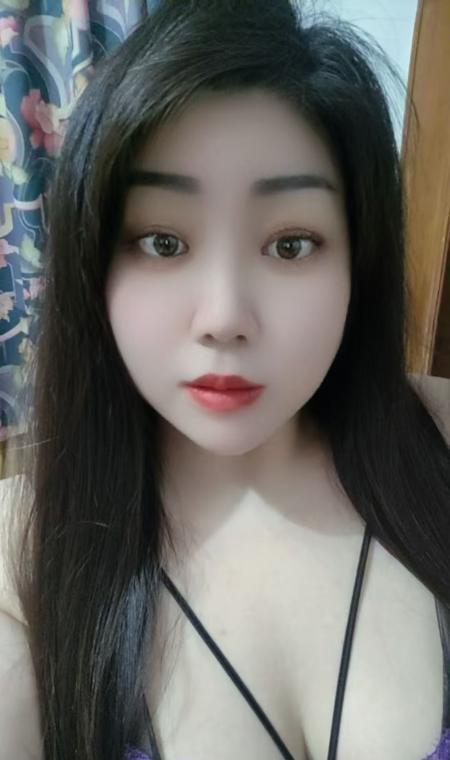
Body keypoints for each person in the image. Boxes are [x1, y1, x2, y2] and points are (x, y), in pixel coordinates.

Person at [0, 0, 449, 758]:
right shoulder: (21, 553)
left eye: (291, 244)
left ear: (359, 260)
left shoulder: (438, 441)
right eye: (162, 241)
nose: (224, 317)